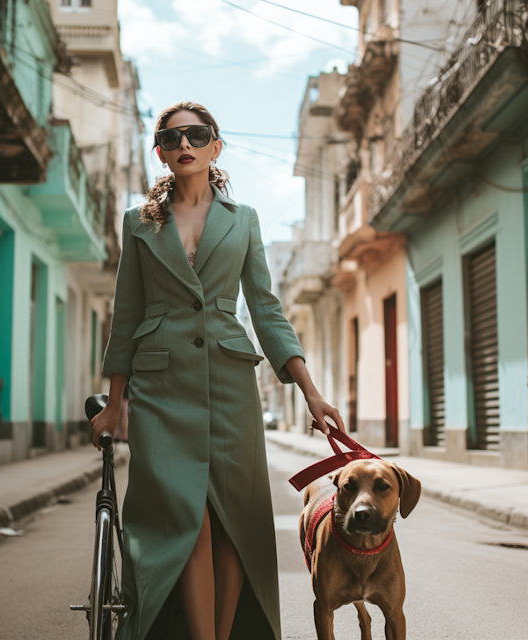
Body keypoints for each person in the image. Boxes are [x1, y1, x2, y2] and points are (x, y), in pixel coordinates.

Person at [91, 101, 344, 640]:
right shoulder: (138, 224)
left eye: (197, 134)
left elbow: (265, 308)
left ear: (215, 146)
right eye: (172, 136)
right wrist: (115, 402)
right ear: (160, 151)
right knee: (189, 517)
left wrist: (310, 392)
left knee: (235, 524)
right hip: (161, 387)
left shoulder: (244, 219)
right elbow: (127, 313)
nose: (185, 143)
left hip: (231, 383)